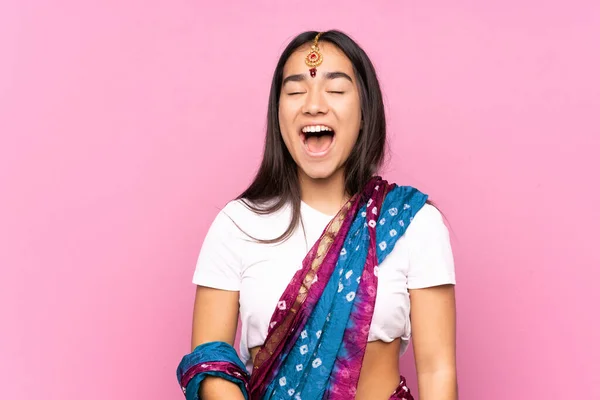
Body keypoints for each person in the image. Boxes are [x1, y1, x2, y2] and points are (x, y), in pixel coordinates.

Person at [177, 30, 457, 400]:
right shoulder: (237, 224)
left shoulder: (413, 222)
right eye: (295, 92)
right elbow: (210, 363)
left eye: (336, 91)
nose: (313, 105)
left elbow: (438, 370)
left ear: (364, 113)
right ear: (278, 114)